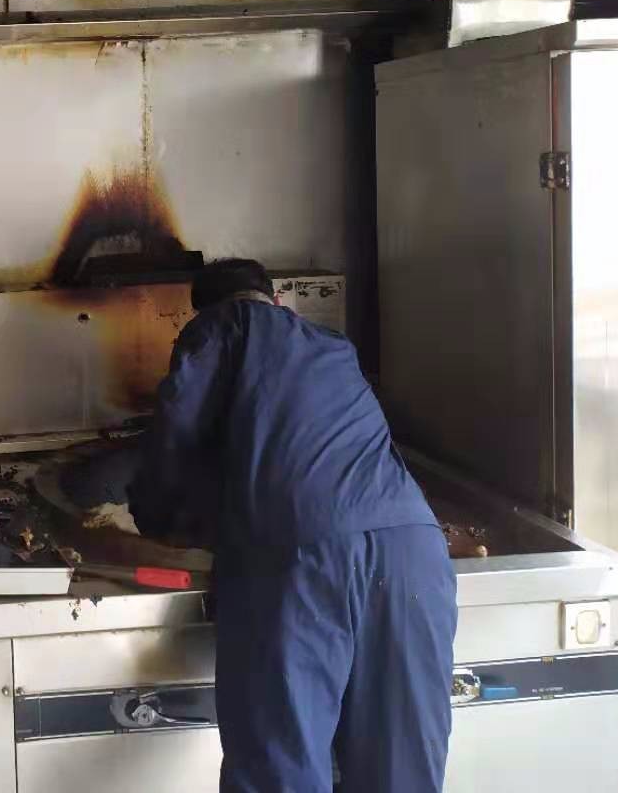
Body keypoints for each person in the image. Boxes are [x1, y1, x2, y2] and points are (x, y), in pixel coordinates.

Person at [127, 259, 457, 793]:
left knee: (281, 768)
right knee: (403, 769)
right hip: (412, 548)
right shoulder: (333, 346)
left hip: (303, 560)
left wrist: (157, 517)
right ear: (278, 300)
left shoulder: (222, 329)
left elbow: (175, 440)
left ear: (203, 311)